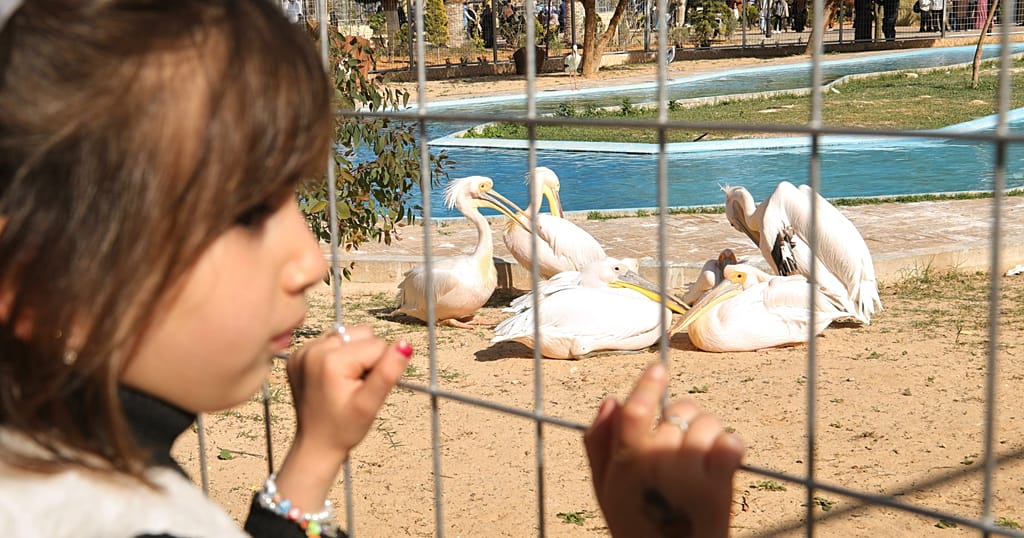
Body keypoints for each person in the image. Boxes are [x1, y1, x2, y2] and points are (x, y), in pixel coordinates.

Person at [0, 1, 744, 537]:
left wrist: (312, 458)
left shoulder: (55, 460)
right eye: (249, 211)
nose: (314, 260)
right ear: (36, 278)